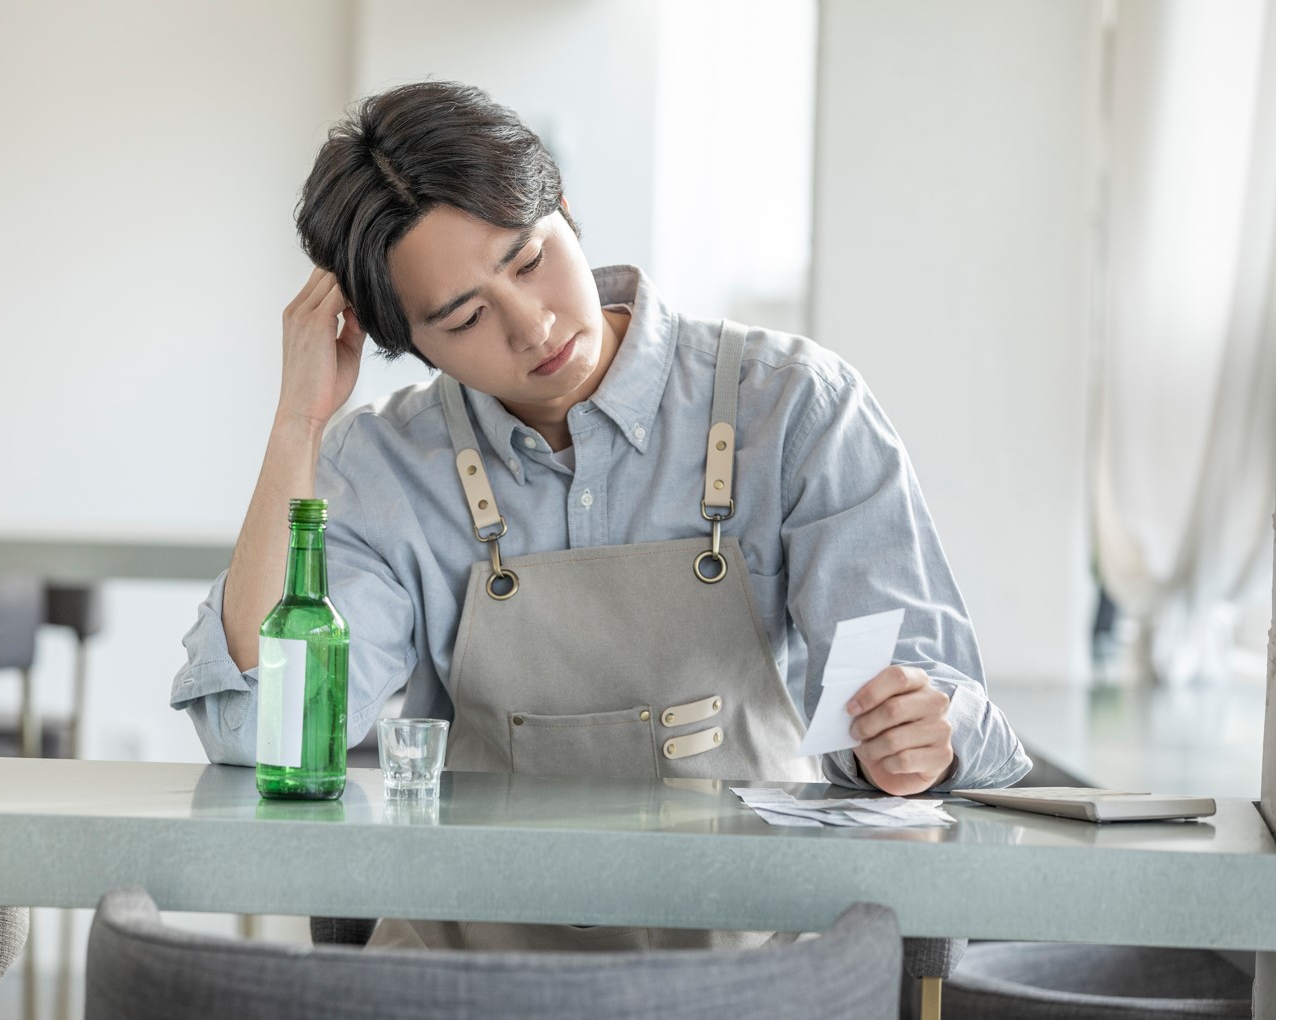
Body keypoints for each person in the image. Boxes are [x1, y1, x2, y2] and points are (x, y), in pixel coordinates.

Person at [171, 80, 1030, 950]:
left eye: (528, 259)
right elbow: (260, 730)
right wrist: (298, 422)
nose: (533, 326)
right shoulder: (382, 465)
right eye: (465, 317)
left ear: (567, 213)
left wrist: (919, 737)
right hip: (464, 981)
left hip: (752, 974)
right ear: (404, 342)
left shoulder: (796, 407)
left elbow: (936, 701)